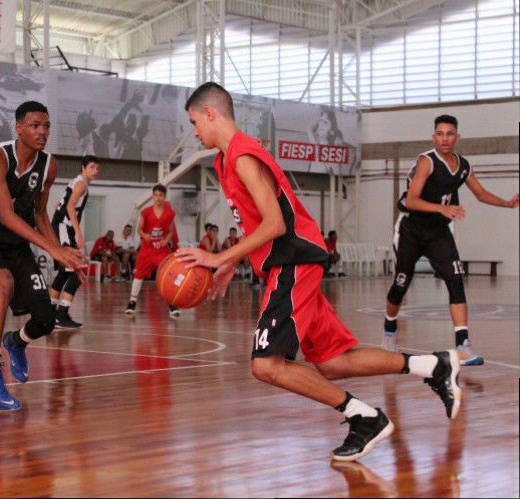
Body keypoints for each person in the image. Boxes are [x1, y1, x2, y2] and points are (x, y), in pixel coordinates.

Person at [178, 82, 462, 462]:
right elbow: (256, 223)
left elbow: (275, 224)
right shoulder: (225, 160)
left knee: (266, 365)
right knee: (332, 362)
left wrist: (216, 257)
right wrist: (231, 262)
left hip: (293, 263)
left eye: (195, 121)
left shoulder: (243, 156)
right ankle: (435, 366)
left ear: (210, 113)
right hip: (292, 263)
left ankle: (365, 417)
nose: (195, 131)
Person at [0, 100, 85, 411]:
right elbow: (6, 215)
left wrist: (60, 255)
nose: (42, 131)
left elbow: (39, 213)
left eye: (46, 126)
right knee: (3, 284)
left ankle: (16, 342)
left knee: (45, 320)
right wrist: (54, 248)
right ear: (18, 128)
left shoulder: (49, 166)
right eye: (34, 126)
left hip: (16, 245)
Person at [380, 114, 519, 363]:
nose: (445, 139)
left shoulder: (463, 166)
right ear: (434, 137)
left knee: (455, 280)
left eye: (450, 134)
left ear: (457, 137)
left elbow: (481, 193)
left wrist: (507, 204)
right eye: (440, 134)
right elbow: (411, 200)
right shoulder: (427, 162)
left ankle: (463, 346)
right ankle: (389, 329)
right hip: (411, 229)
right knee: (401, 285)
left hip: (437, 232)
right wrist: (442, 208)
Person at [49, 155, 100, 329]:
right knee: (78, 271)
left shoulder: (75, 182)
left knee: (65, 273)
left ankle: (51, 314)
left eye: (97, 168)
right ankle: (60, 315)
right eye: (92, 167)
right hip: (63, 229)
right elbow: (69, 206)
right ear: (83, 167)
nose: (95, 171)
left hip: (60, 227)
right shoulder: (81, 184)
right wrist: (78, 233)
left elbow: (58, 206)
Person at [124, 184, 179, 318]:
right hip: (147, 249)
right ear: (152, 197)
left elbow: (171, 231)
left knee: (169, 274)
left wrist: (166, 240)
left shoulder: (169, 213)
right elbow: (139, 229)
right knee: (139, 276)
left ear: (164, 197)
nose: (158, 198)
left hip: (162, 250)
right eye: (156, 195)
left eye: (161, 195)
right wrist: (144, 235)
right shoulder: (146, 212)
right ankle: (132, 302)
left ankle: (172, 304)